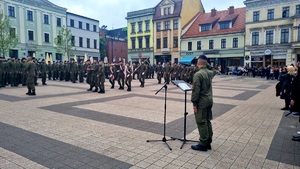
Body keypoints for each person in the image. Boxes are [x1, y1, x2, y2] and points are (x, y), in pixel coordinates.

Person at [191, 55, 216, 151]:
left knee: (201, 121)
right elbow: (214, 70)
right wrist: (207, 64)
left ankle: (203, 143)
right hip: (209, 100)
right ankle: (208, 141)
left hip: (201, 102)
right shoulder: (210, 73)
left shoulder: (198, 74)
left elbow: (195, 91)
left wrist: (194, 104)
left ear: (198, 63)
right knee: (207, 120)